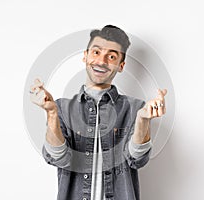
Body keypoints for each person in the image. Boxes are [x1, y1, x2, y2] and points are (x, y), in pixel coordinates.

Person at [29, 25, 167, 200]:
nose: (102, 61)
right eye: (96, 52)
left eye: (111, 56)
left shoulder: (136, 108)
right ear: (85, 57)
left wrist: (142, 120)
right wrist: (52, 114)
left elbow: (137, 159)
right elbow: (58, 159)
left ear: (121, 66)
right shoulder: (62, 108)